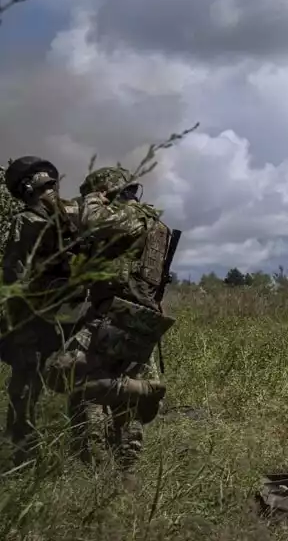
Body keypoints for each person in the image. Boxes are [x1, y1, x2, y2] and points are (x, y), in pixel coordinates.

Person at [41, 165, 172, 469]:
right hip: (139, 316)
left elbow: (92, 220)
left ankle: (94, 462)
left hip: (117, 314)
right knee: (125, 391)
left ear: (108, 192)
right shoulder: (150, 222)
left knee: (68, 373)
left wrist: (93, 199)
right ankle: (123, 466)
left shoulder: (130, 214)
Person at [0, 156, 88, 466]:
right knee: (76, 378)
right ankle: (83, 448)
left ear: (25, 189)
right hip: (69, 314)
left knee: (25, 385)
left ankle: (23, 454)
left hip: (31, 316)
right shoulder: (73, 217)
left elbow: (12, 271)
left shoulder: (26, 220)